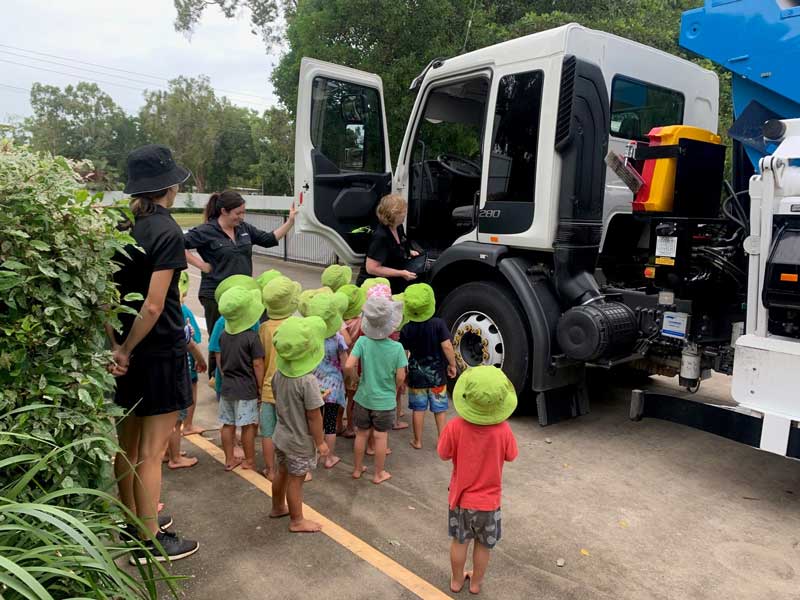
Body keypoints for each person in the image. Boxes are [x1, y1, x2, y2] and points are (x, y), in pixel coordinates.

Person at [107, 143, 199, 563]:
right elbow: (155, 304)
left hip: (125, 353)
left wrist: (116, 346)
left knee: (126, 444)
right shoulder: (166, 232)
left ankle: (132, 521)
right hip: (157, 351)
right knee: (152, 451)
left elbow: (106, 297)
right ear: (170, 186)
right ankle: (149, 542)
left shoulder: (121, 226)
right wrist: (128, 348)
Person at [183, 190, 296, 376]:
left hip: (243, 294)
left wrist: (290, 221)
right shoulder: (206, 231)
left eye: (243, 212)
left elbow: (268, 239)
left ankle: (244, 373)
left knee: (247, 335)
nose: (241, 217)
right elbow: (178, 244)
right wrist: (201, 265)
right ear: (224, 211)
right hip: (215, 294)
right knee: (219, 337)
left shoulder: (244, 229)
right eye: (238, 213)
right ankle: (216, 376)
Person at [437, 366, 519, 595]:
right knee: (484, 545)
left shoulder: (455, 426)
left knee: (459, 541)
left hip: (461, 500)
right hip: (489, 503)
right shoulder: (503, 430)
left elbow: (443, 454)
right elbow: (512, 455)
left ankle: (455, 580)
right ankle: (475, 583)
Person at [270, 316, 330, 532]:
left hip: (281, 435)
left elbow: (285, 400)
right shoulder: (308, 381)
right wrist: (320, 442)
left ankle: (277, 507)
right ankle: (297, 520)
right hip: (299, 442)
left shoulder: (278, 375)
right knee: (296, 480)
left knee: (282, 473)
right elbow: (314, 416)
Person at [344, 296, 407, 485]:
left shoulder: (363, 343)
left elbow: (348, 365)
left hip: (363, 397)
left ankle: (357, 469)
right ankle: (378, 473)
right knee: (380, 437)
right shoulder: (397, 348)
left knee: (361, 433)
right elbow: (401, 376)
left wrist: (354, 379)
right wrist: (394, 387)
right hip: (385, 401)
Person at [400, 283, 457, 449]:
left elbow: (403, 352)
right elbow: (447, 346)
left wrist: (404, 370)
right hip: (437, 375)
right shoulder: (438, 324)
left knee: (418, 408)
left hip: (416, 375)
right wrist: (452, 364)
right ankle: (442, 440)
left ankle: (417, 441)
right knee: (440, 409)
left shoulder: (407, 329)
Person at [258, 275, 302, 480]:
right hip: (290, 389)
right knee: (292, 430)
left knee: (268, 431)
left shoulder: (264, 328)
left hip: (268, 388)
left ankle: (270, 469)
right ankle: (295, 470)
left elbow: (261, 360)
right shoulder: (295, 326)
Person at [217, 286, 265, 471]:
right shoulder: (252, 338)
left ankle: (229, 459)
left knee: (228, 424)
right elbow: (258, 364)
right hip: (246, 388)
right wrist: (260, 387)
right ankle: (249, 460)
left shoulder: (223, 335)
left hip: (227, 387)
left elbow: (220, 359)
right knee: (247, 425)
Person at [306, 292, 349, 469]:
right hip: (333, 387)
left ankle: (312, 457)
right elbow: (346, 365)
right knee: (330, 424)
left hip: (312, 386)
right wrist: (346, 379)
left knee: (313, 422)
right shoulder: (338, 338)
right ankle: (328, 458)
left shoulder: (310, 336)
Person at [355, 194, 420, 293]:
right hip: (373, 287)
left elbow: (395, 248)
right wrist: (401, 273)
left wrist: (409, 252)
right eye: (404, 211)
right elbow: (371, 268)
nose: (406, 213)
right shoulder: (381, 237)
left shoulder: (398, 227)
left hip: (388, 282)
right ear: (394, 214)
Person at [178, 271, 205, 437]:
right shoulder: (185, 311)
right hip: (187, 364)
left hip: (169, 366)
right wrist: (200, 360)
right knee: (190, 394)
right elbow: (194, 339)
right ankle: (188, 425)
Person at [338, 284, 366, 438]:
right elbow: (350, 341)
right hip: (354, 364)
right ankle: (350, 426)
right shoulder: (361, 323)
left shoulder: (338, 322)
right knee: (351, 399)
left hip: (339, 363)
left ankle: (337, 425)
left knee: (340, 397)